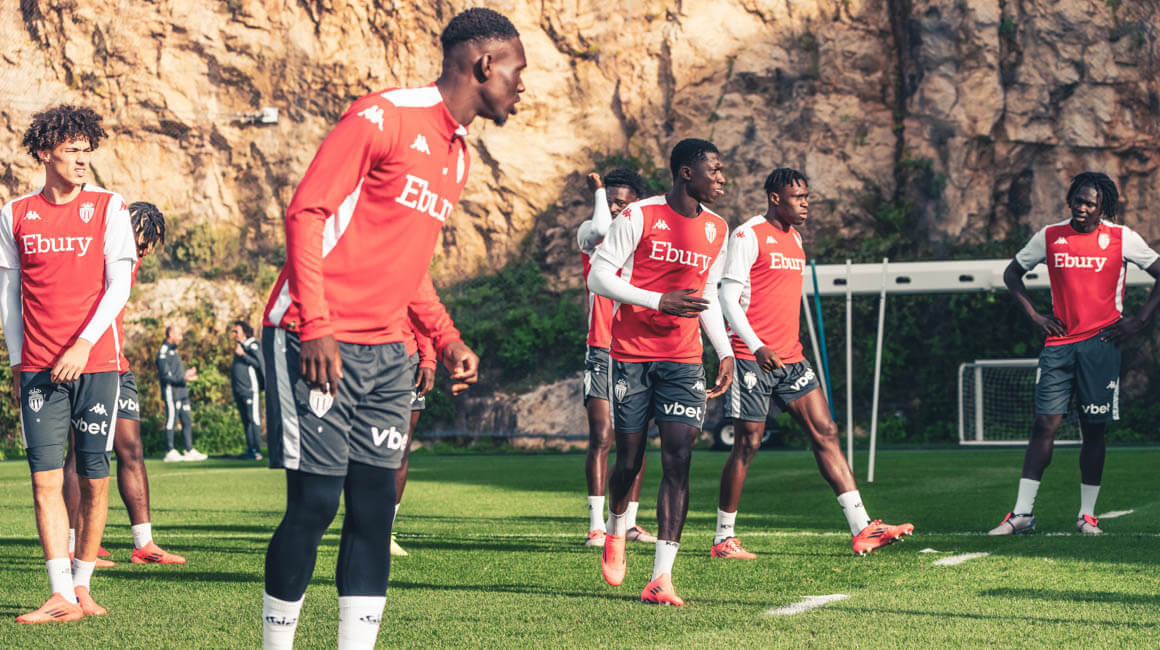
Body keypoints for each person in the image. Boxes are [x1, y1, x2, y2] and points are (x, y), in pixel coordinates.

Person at [257, 8, 521, 647]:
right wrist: (316, 324)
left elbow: (408, 264)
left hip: (386, 352)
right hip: (312, 337)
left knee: (375, 510)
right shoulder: (383, 116)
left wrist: (445, 336)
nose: (522, 86)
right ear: (485, 64)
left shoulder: (458, 156)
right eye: (518, 71)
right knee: (316, 504)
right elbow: (307, 212)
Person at [716, 168, 914, 557]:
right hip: (750, 357)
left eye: (807, 197)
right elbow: (727, 298)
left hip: (791, 357)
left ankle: (862, 528)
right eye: (798, 197)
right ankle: (723, 538)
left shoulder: (796, 239)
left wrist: (782, 343)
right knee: (747, 443)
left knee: (826, 430)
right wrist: (757, 346)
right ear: (775, 198)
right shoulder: (747, 235)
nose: (806, 204)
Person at [0, 104, 137, 622]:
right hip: (38, 369)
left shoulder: (109, 206)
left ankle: (83, 586)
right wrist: (18, 363)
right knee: (44, 480)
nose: (82, 160)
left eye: (86, 150)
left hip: (97, 363)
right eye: (71, 150)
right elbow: (9, 297)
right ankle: (59, 593)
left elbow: (119, 286)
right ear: (44, 153)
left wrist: (82, 343)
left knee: (95, 478)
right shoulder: (14, 214)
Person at [588, 138, 735, 607]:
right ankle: (616, 527)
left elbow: (706, 293)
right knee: (629, 460)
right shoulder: (640, 216)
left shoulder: (718, 228)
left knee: (679, 457)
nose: (722, 178)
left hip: (683, 358)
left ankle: (661, 577)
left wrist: (724, 350)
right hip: (631, 354)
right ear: (686, 173)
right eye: (714, 170)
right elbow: (598, 276)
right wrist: (658, 300)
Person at [989, 171, 1160, 536]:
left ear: (1103, 208)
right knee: (1044, 424)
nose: (1081, 208)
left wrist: (1139, 321)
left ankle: (1087, 516)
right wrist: (1036, 316)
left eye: (1090, 204)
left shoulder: (1122, 238)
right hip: (1059, 346)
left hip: (1101, 346)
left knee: (1093, 430)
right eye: (1077, 201)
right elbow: (1012, 274)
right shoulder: (1050, 236)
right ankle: (1022, 514)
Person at [62, 201, 186, 566]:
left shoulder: (131, 258)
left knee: (131, 448)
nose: (144, 249)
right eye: (141, 239)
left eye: (150, 243)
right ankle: (73, 545)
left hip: (117, 364)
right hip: (84, 364)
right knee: (80, 452)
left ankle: (143, 544)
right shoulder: (93, 249)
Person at [576, 168, 656, 547]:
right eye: (608, 202)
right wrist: (598, 194)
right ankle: (596, 525)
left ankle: (627, 524)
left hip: (637, 348)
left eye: (621, 204)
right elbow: (601, 229)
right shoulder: (590, 233)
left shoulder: (646, 242)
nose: (612, 209)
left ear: (637, 205)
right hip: (601, 347)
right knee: (602, 435)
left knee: (634, 439)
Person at [389, 322, 437, 558]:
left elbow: (422, 314)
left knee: (400, 448)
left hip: (407, 361)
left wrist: (428, 360)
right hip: (361, 356)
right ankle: (361, 524)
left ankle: (384, 531)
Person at [158, 323, 204, 461]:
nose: (181, 337)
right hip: (172, 393)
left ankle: (189, 450)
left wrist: (186, 374)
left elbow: (176, 373)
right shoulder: (163, 352)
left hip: (182, 392)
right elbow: (165, 376)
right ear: (170, 334)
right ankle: (170, 451)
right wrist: (184, 378)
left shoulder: (174, 350)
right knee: (171, 420)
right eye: (179, 334)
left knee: (187, 420)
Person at [231, 319, 264, 460]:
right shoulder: (241, 346)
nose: (234, 334)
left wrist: (243, 355)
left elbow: (259, 363)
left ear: (244, 332)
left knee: (253, 419)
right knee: (245, 420)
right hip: (239, 391)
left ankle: (256, 450)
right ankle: (250, 449)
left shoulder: (253, 344)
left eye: (236, 331)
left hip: (250, 390)